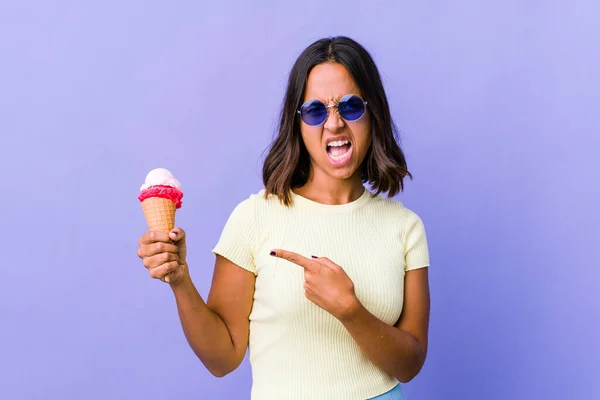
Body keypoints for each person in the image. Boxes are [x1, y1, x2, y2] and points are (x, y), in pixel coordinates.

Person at [137, 36, 430, 400]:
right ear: (298, 122)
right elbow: (222, 358)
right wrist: (180, 281)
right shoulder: (254, 218)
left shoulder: (405, 228)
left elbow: (410, 364)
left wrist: (350, 310)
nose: (335, 123)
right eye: (315, 111)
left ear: (374, 114)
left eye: (351, 107)